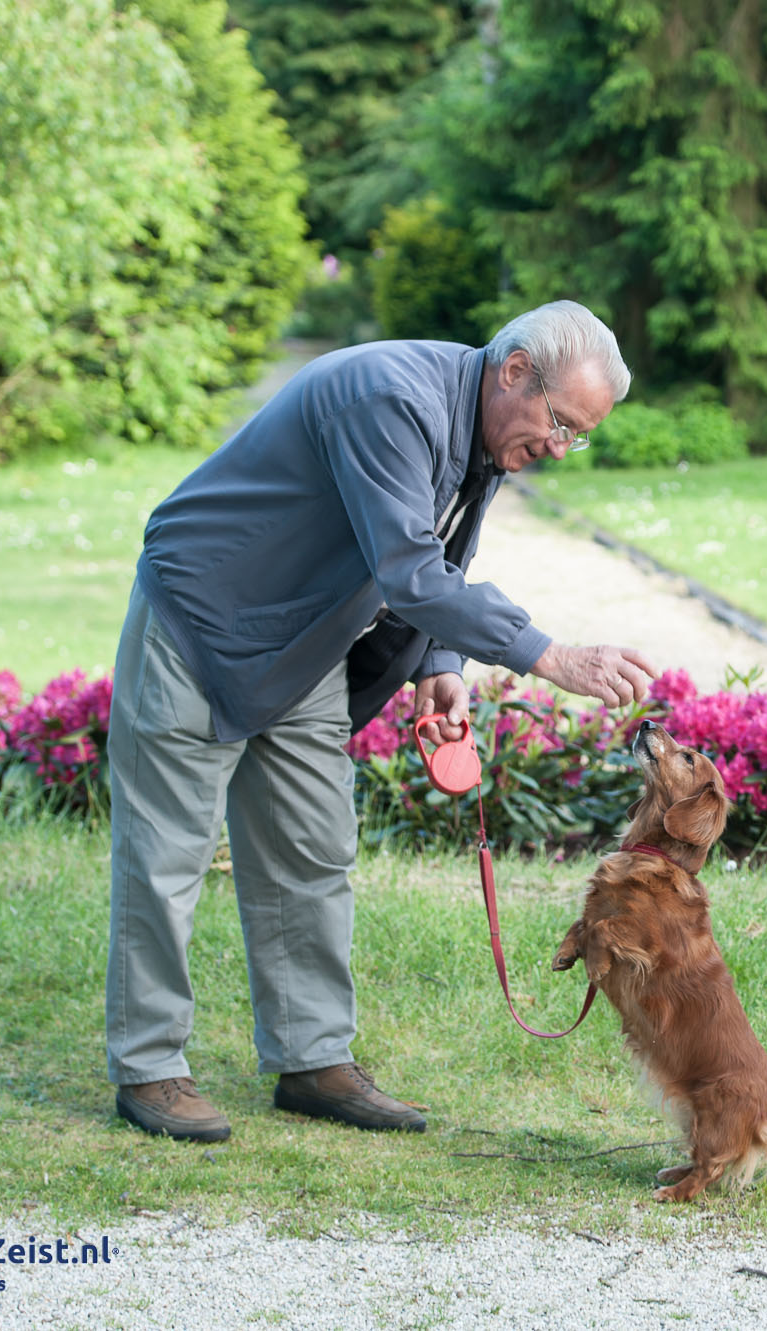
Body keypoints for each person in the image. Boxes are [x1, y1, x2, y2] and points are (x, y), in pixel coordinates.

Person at [104, 300, 659, 1143]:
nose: (559, 447)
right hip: (203, 616)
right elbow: (410, 571)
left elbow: (439, 556)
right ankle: (149, 1068)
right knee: (167, 854)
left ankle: (312, 1058)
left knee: (312, 849)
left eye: (577, 435)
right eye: (561, 423)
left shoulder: (487, 430)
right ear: (515, 371)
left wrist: (440, 664)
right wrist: (551, 656)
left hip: (303, 641)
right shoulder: (390, 397)